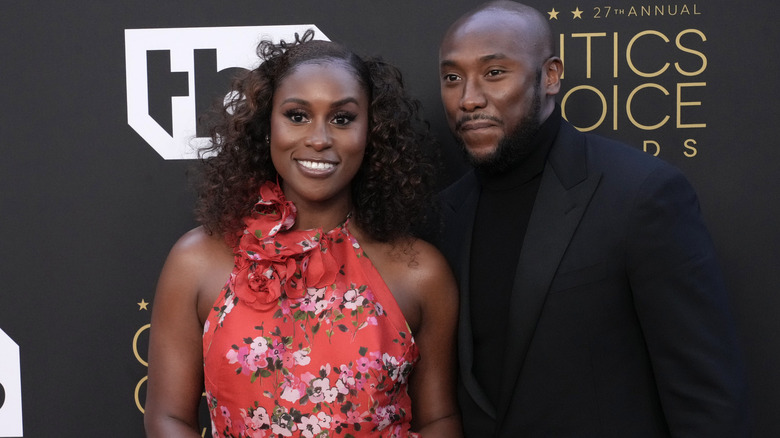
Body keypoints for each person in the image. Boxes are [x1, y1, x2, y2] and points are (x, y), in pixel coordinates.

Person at [433, 1, 750, 436]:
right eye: (453, 78)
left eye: (494, 73)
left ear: (550, 76)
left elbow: (706, 398)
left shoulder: (641, 196)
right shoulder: (441, 217)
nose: (468, 98)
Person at [144, 31, 461, 437]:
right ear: (266, 125)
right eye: (297, 115)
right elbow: (168, 419)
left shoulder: (421, 271)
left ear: (373, 131)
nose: (318, 138)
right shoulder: (196, 261)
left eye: (342, 118)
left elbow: (439, 421)